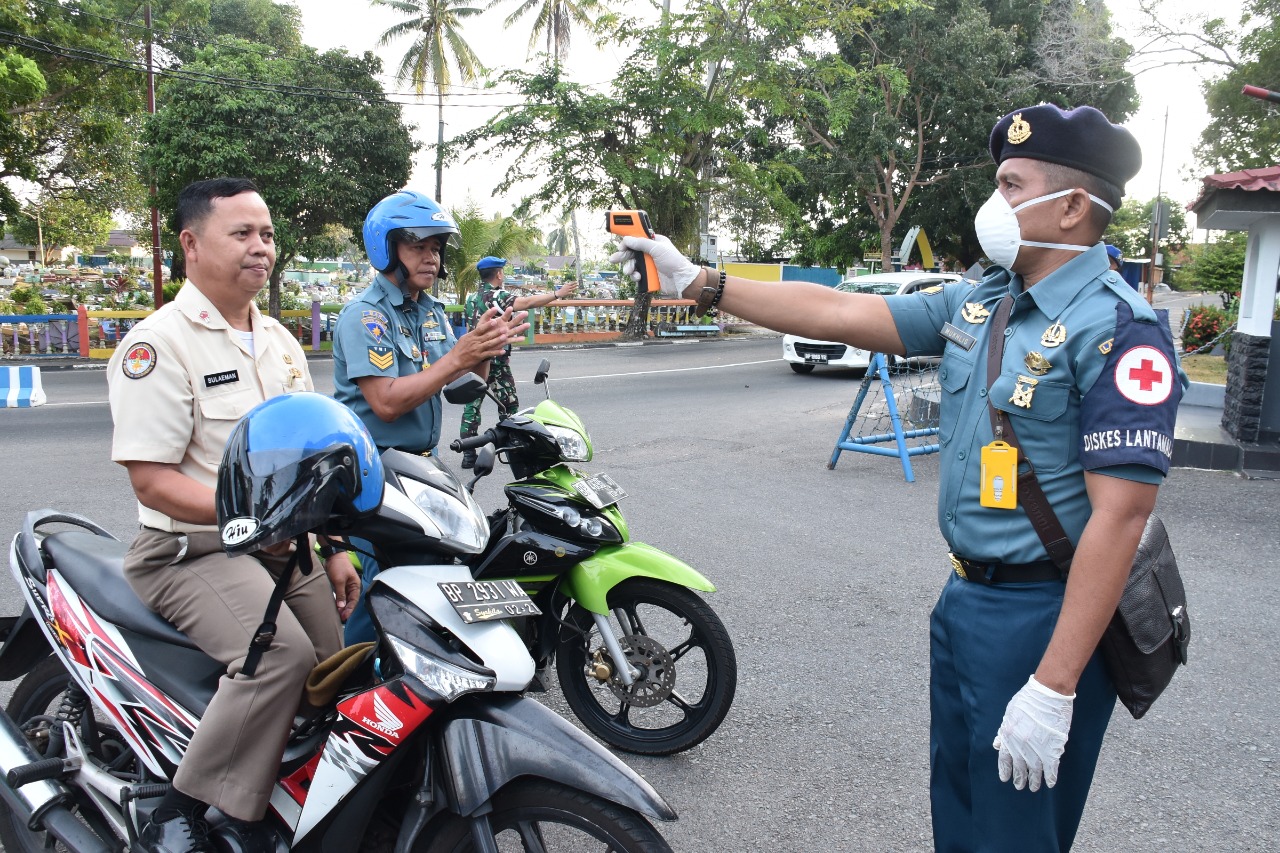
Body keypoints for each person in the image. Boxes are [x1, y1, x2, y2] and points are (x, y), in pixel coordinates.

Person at [612, 104, 1185, 852]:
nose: (996, 203)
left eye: (1012, 185)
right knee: (958, 808)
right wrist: (703, 282)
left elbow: (1121, 517)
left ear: (1073, 207)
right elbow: (843, 310)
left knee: (1016, 834)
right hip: (965, 600)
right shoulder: (987, 298)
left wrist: (1053, 684)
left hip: (1045, 614)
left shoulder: (1115, 327)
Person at [107, 177, 361, 853]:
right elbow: (154, 481)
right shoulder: (158, 344)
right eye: (242, 233)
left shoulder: (277, 340)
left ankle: (299, 799)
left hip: (280, 547)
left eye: (268, 233)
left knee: (345, 670)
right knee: (281, 658)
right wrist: (250, 517)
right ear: (190, 245)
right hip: (191, 551)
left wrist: (333, 545)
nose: (261, 247)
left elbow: (313, 455)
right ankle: (183, 809)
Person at [332, 190, 527, 644]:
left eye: (436, 249)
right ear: (387, 248)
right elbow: (386, 401)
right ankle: (353, 681)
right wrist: (456, 356)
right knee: (386, 584)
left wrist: (485, 348)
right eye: (418, 246)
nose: (431, 258)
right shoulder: (367, 317)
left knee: (434, 571)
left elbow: (460, 388)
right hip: (375, 471)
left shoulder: (433, 314)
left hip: (421, 468)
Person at [458, 257, 577, 468]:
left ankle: (468, 453)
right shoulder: (498, 295)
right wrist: (557, 294)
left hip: (476, 358)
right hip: (497, 359)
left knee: (472, 405)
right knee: (509, 404)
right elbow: (528, 303)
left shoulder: (471, 298)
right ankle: (514, 447)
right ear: (499, 274)